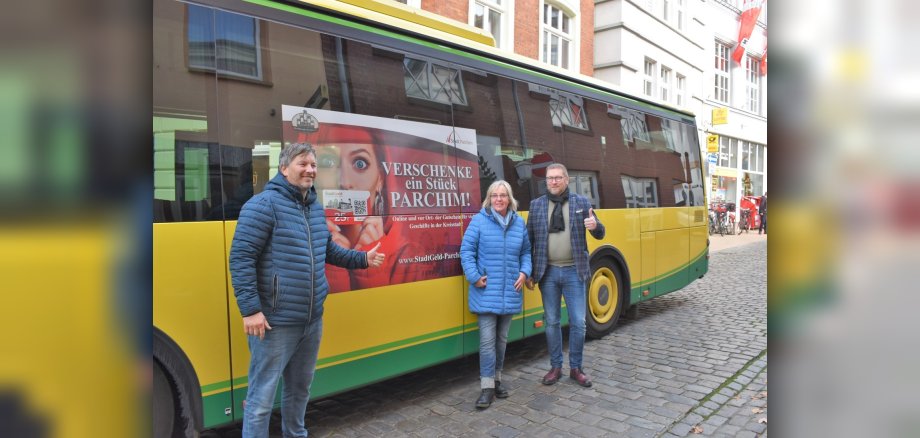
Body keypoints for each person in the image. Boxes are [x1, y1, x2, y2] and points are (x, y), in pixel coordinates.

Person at [229, 142, 386, 438]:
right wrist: (250, 310)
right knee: (261, 400)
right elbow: (241, 258)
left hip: (311, 320)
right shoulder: (262, 205)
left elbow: (327, 250)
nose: (310, 170)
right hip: (276, 322)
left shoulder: (313, 206)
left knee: (299, 391)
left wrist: (363, 258)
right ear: (284, 168)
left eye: (313, 165)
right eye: (303, 164)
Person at [525, 163, 605, 388]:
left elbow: (600, 233)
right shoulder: (537, 205)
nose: (553, 181)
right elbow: (529, 241)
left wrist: (595, 226)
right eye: (550, 178)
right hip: (547, 272)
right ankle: (556, 367)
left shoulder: (581, 203)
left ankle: (576, 368)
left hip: (574, 271)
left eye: (558, 178)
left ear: (566, 180)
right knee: (551, 322)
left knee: (578, 322)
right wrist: (530, 272)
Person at [460, 180, 532, 410]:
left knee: (501, 342)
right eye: (495, 195)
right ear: (489, 199)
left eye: (503, 195)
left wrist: (524, 272)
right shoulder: (479, 221)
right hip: (486, 292)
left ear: (509, 199)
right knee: (487, 342)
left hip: (510, 291)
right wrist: (474, 276)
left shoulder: (519, 223)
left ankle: (497, 380)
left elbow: (526, 252)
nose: (499, 199)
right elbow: (466, 251)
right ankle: (487, 388)